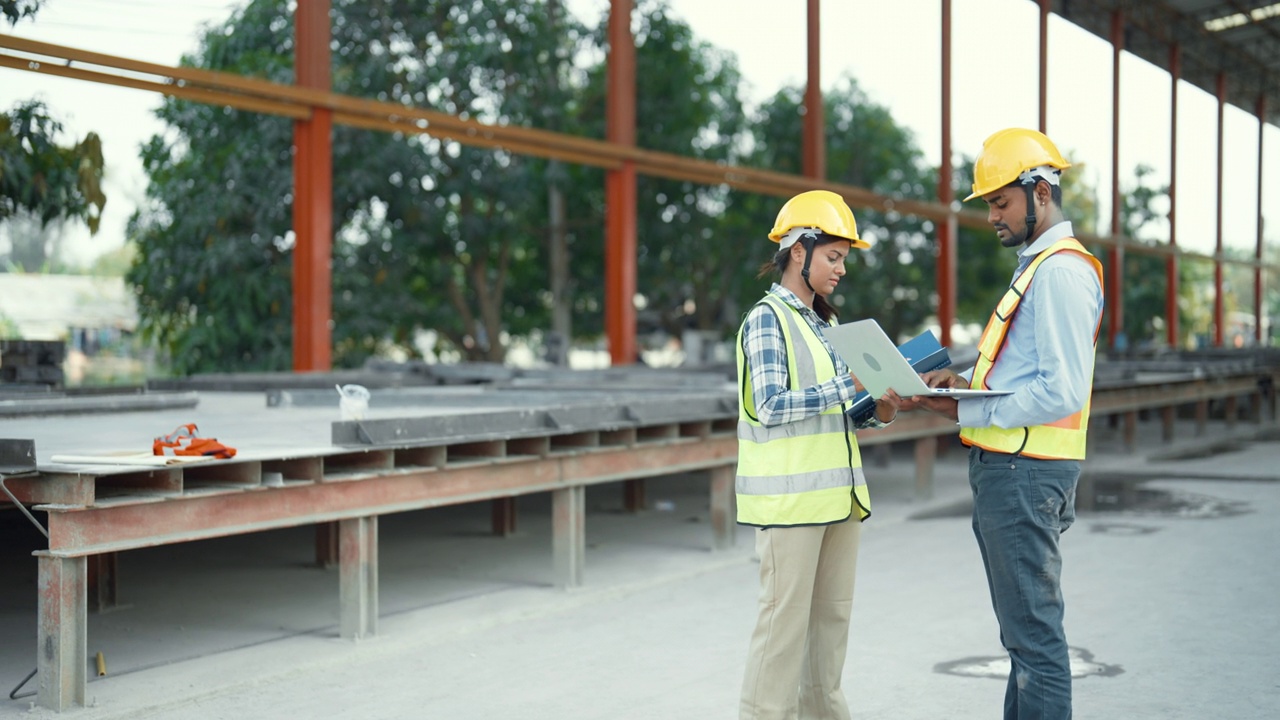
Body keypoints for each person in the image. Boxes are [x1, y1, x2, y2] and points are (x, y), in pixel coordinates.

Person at [907, 128, 1104, 719]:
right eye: (989, 205)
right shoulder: (1038, 268)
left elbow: (1062, 389)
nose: (992, 216)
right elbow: (1024, 374)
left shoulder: (1061, 273)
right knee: (1024, 643)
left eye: (1001, 203)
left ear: (1040, 193)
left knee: (1036, 645)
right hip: (1013, 470)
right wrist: (964, 388)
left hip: (1025, 474)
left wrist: (974, 406)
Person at [736, 189, 902, 720]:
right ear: (799, 253)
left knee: (829, 636)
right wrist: (845, 385)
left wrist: (879, 406)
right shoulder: (767, 320)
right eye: (834, 257)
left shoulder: (829, 326)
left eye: (844, 260)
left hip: (839, 503)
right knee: (781, 636)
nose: (841, 270)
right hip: (791, 509)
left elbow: (840, 414)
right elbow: (769, 404)